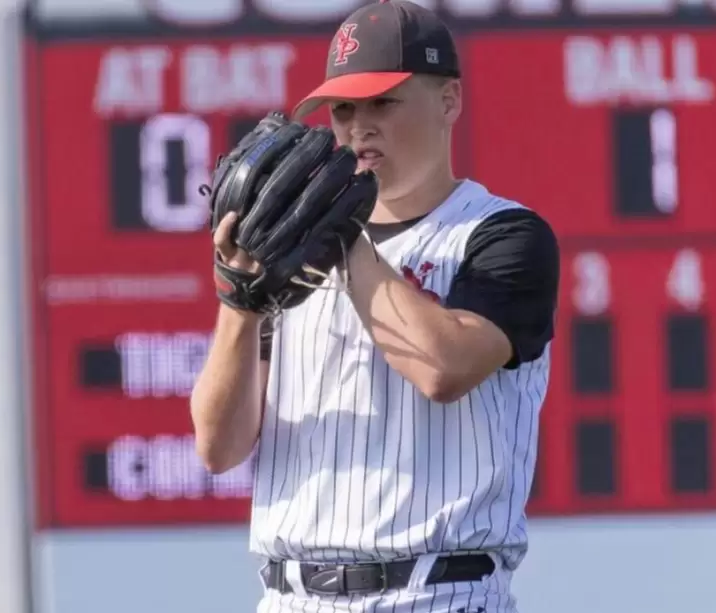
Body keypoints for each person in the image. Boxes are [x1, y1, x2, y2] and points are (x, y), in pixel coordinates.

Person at [189, 1, 559, 611]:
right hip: (292, 595)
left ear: (449, 101)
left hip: (441, 592)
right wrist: (239, 301)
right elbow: (218, 447)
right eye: (343, 109)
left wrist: (342, 236)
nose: (359, 126)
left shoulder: (501, 235)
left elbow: (443, 370)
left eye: (383, 102)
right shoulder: (288, 251)